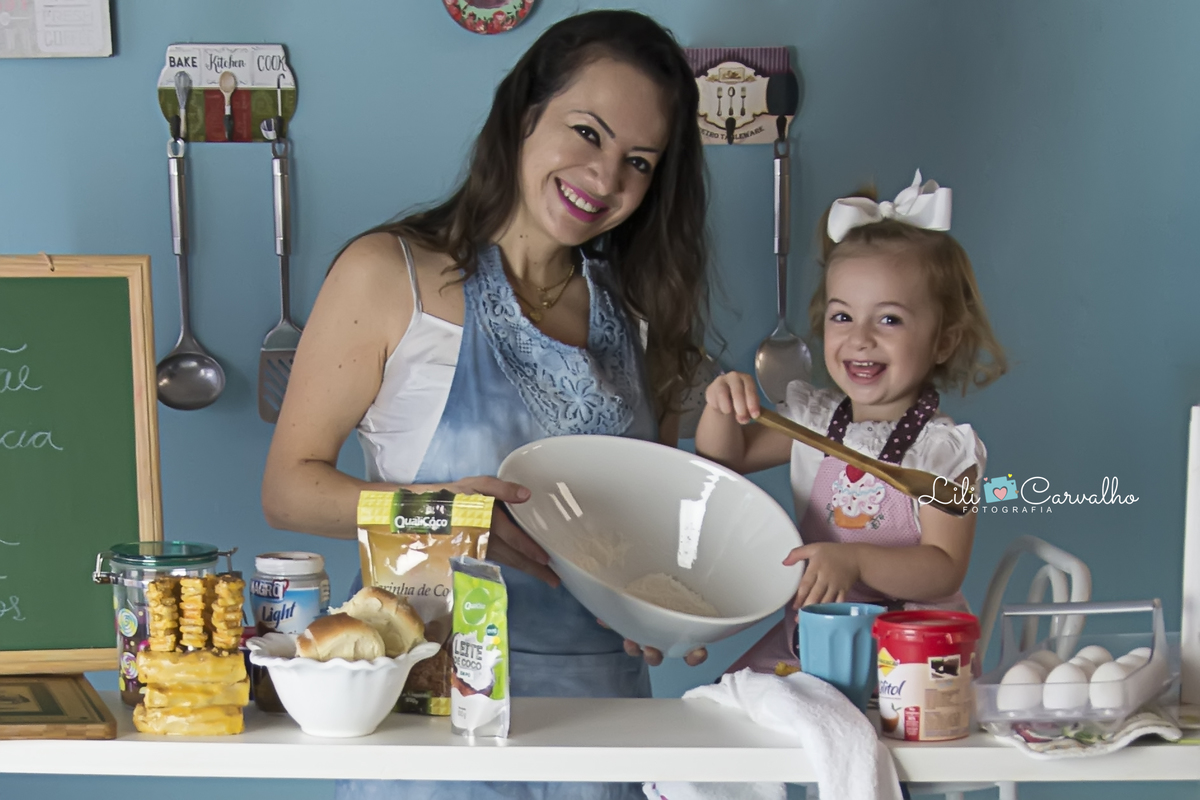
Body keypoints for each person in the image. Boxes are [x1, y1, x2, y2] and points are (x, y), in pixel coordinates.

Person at [262, 10, 709, 799]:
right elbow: (290, 490)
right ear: (523, 113)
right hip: (431, 716)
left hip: (606, 728)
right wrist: (450, 515)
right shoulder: (389, 275)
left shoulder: (643, 312)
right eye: (588, 132)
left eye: (639, 160)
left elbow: (653, 516)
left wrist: (671, 602)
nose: (606, 179)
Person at [695, 171, 1007, 674]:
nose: (860, 338)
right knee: (727, 702)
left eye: (889, 320)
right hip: (818, 640)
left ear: (943, 341)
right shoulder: (813, 423)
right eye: (842, 317)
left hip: (913, 655)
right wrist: (721, 406)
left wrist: (857, 561)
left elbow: (944, 566)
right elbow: (724, 456)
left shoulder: (943, 453)